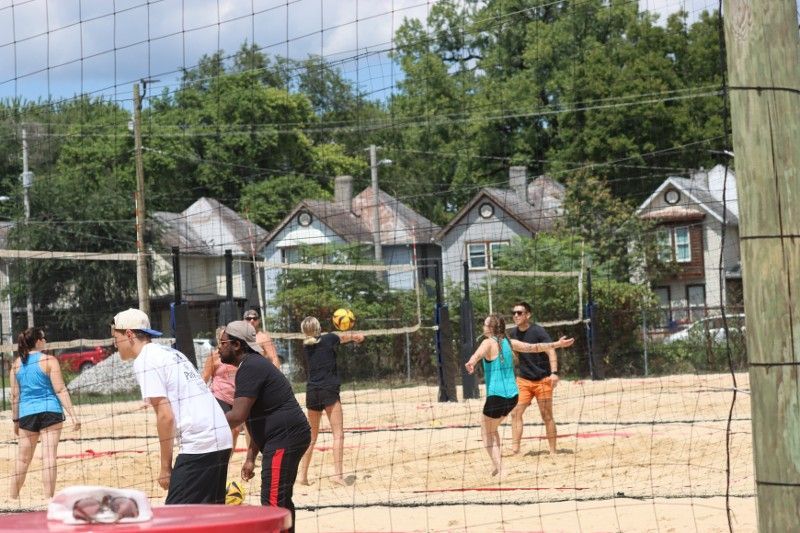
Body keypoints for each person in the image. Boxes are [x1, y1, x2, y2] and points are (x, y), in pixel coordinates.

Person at [112, 308, 232, 504]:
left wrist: (165, 467)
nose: (114, 344)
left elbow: (165, 416)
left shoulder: (145, 360)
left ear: (129, 334)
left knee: (175, 515)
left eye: (115, 337)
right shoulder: (170, 352)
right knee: (208, 515)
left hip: (201, 441)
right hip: (220, 436)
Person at [221, 320, 310, 533]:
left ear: (237, 345)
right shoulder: (251, 365)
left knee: (272, 502)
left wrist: (205, 423)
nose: (218, 347)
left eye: (223, 343)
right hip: (284, 436)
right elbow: (255, 418)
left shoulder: (251, 367)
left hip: (285, 438)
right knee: (280, 500)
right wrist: (251, 457)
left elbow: (238, 415)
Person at [465, 314, 573, 476]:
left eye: (485, 325)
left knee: (486, 432)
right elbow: (535, 347)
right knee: (492, 429)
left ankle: (501, 469)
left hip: (496, 396)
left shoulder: (487, 342)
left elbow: (478, 354)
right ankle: (496, 465)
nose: (483, 327)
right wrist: (558, 344)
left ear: (491, 328)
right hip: (513, 396)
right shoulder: (510, 342)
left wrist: (471, 362)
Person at [10, 327, 81, 498]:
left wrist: (16, 421)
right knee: (49, 457)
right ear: (38, 341)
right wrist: (73, 416)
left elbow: (15, 396)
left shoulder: (16, 365)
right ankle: (48, 499)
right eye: (44, 338)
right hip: (50, 411)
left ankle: (11, 499)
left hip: (27, 413)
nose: (46, 341)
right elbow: (60, 390)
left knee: (22, 460)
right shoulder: (49, 360)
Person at [297, 316, 365, 486]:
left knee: (311, 437)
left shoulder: (306, 345)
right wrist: (356, 336)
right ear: (319, 327)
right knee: (338, 435)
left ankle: (303, 476)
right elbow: (344, 337)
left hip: (312, 392)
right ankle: (337, 476)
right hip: (329, 390)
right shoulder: (330, 338)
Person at [508, 301, 574, 456]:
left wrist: (554, 373)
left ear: (528, 315)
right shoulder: (513, 333)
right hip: (524, 380)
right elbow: (516, 355)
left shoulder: (538, 331)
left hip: (542, 380)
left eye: (519, 313)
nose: (516, 315)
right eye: (514, 313)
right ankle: (515, 450)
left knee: (547, 416)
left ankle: (552, 451)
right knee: (515, 413)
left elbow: (550, 350)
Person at [201, 326, 245, 451]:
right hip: (219, 396)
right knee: (229, 429)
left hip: (237, 397)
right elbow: (205, 377)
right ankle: (222, 457)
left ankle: (227, 459)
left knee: (236, 431)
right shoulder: (214, 356)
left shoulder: (238, 355)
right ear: (218, 339)